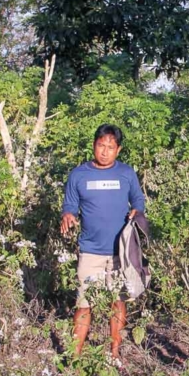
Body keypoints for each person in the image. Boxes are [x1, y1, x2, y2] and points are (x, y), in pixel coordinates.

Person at [61, 124, 145, 359]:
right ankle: (74, 357)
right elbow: (69, 204)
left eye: (110, 147)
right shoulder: (79, 175)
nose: (105, 151)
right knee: (84, 303)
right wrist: (67, 215)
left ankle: (114, 354)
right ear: (93, 145)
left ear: (118, 150)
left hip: (120, 252)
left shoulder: (126, 173)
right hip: (90, 252)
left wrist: (137, 211)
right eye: (101, 146)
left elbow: (138, 199)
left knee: (117, 302)